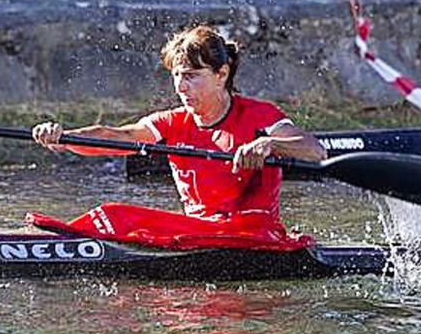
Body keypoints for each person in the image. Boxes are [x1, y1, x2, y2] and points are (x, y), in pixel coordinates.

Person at [32, 24, 327, 245]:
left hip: (256, 235)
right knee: (113, 215)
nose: (180, 87)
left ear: (221, 74)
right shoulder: (172, 122)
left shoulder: (260, 116)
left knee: (115, 216)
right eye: (176, 75)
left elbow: (316, 151)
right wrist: (66, 137)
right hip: (197, 232)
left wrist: (269, 144)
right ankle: (62, 242)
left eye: (191, 76)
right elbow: (118, 136)